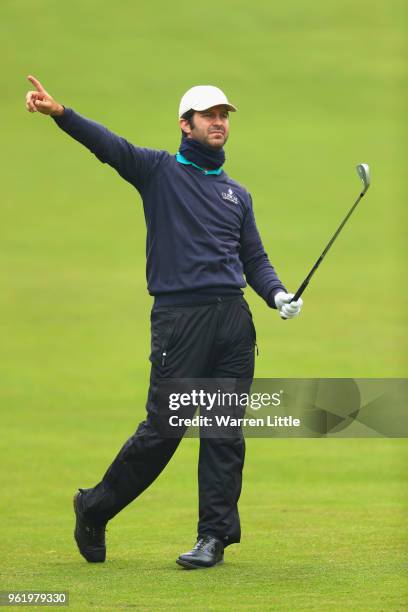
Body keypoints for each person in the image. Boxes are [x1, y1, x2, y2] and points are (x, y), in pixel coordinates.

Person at [25, 76, 303, 569]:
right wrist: (61, 113)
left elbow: (254, 258)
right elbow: (108, 146)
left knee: (224, 433)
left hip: (233, 324)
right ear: (185, 124)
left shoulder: (237, 195)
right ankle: (94, 506)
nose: (218, 123)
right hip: (181, 321)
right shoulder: (157, 171)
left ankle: (213, 538)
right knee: (164, 430)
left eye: (224, 116)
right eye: (208, 115)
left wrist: (277, 292)